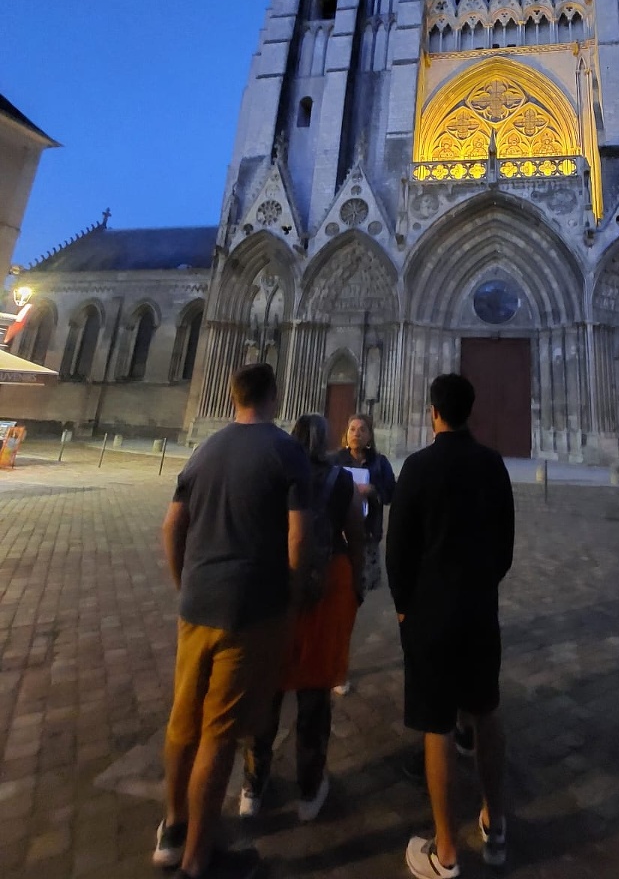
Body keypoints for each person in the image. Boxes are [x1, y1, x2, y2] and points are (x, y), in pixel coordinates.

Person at [153, 363, 311, 879]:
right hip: (247, 609)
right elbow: (299, 537)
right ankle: (199, 860)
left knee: (183, 720)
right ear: (275, 394)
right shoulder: (286, 449)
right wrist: (291, 600)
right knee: (219, 734)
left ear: (231, 395)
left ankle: (173, 829)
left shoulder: (204, 449)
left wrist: (185, 584)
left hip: (197, 604)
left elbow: (171, 526)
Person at [386, 373, 515, 879]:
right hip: (479, 611)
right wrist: (480, 585)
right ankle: (495, 823)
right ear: (470, 412)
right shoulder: (493, 465)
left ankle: (446, 852)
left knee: (437, 726)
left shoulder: (418, 467)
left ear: (433, 412)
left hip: (431, 615)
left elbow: (398, 551)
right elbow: (504, 547)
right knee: (486, 711)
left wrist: (405, 608)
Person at [240, 413, 366, 822]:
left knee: (267, 689)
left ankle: (253, 785)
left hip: (276, 592)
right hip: (321, 592)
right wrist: (358, 580)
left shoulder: (275, 475)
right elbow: (356, 534)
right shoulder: (339, 480)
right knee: (314, 692)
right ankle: (310, 789)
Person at [333, 412, 396, 592]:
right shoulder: (335, 460)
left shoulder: (380, 463)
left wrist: (373, 490)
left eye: (362, 430)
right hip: (339, 535)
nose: (356, 434)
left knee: (365, 588)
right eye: (352, 429)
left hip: (369, 532)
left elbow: (390, 494)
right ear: (346, 433)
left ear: (369, 436)